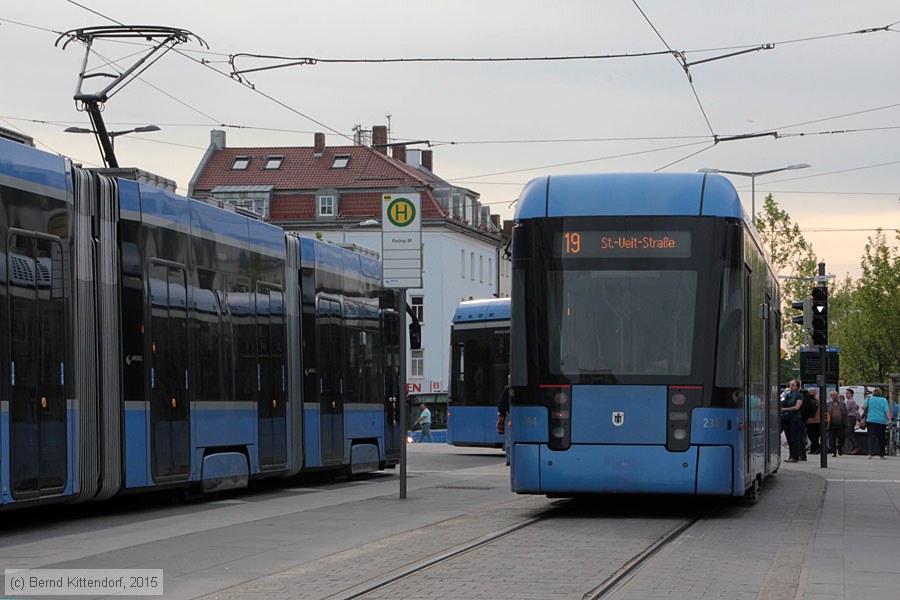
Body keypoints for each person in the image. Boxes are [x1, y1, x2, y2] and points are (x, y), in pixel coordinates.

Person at [861, 388, 891, 459]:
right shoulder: (884, 400)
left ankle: (870, 454)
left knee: (871, 437)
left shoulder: (869, 399)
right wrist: (889, 419)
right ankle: (882, 454)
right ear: (880, 394)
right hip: (882, 421)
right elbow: (886, 410)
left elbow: (863, 407)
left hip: (871, 420)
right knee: (881, 438)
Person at [781, 380, 806, 462]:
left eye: (793, 385)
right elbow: (782, 403)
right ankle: (791, 455)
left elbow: (797, 407)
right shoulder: (788, 395)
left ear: (797, 387)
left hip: (795, 418)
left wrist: (784, 409)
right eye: (790, 385)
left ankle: (795, 456)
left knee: (794, 437)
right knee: (789, 437)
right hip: (787, 418)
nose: (791, 386)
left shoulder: (799, 395)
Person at [826, 389, 848, 457]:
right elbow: (826, 413)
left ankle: (839, 447)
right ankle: (833, 451)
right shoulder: (828, 404)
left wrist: (847, 423)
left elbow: (845, 414)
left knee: (841, 437)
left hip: (840, 424)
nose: (835, 396)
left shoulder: (842, 404)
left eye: (836, 395)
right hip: (831, 424)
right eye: (833, 395)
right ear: (831, 396)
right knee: (831, 438)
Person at [497, 376, 511, 466]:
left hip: (509, 417)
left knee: (509, 439)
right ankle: (510, 458)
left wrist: (505, 413)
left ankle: (509, 459)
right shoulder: (509, 390)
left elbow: (501, 405)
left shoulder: (507, 390)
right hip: (512, 417)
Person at [804, 387, 821, 455]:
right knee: (812, 435)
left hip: (814, 420)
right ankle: (814, 448)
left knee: (814, 435)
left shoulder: (817, 400)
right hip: (812, 421)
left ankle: (816, 448)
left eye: (812, 392)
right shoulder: (816, 400)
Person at [844, 388, 861, 454]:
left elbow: (846, 410)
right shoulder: (850, 401)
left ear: (851, 394)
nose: (846, 394)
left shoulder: (851, 402)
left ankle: (856, 446)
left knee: (848, 433)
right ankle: (853, 448)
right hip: (852, 418)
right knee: (851, 433)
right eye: (846, 393)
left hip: (851, 418)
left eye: (847, 393)